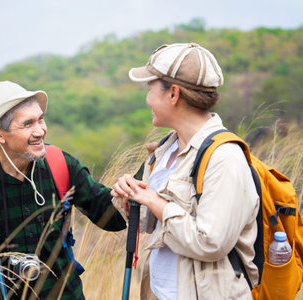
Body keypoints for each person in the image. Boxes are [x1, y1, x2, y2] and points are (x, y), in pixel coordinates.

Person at [0, 81, 126, 299]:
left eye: (40, 119)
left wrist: (151, 171)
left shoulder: (60, 164)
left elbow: (112, 217)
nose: (40, 130)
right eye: (28, 124)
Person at [110, 43, 260, 300]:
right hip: (159, 292)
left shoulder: (224, 157)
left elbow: (210, 243)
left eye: (150, 88)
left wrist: (155, 201)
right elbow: (150, 223)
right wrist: (129, 196)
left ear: (173, 94)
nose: (147, 98)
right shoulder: (166, 148)